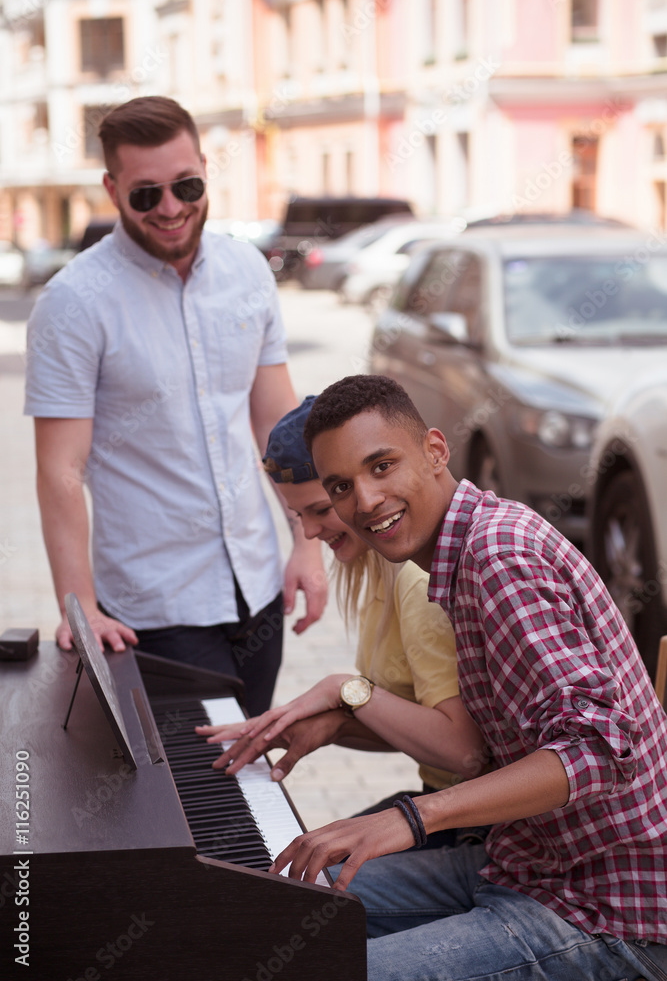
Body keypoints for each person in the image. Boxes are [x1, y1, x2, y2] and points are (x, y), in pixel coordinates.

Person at [266, 374, 667, 981]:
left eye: (382, 465)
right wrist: (337, 723)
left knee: (328, 967)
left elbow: (597, 751)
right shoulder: (464, 553)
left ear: (434, 450)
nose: (365, 501)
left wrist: (412, 817)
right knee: (275, 905)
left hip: (608, 908)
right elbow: (484, 734)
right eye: (342, 486)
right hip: (529, 862)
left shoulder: (497, 558)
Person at [23, 96, 325, 715]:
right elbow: (59, 470)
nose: (170, 208)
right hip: (155, 611)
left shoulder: (248, 271)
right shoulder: (73, 303)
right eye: (145, 194)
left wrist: (307, 543)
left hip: (258, 588)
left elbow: (279, 423)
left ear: (205, 170)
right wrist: (77, 606)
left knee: (245, 776)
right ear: (111, 188)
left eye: (185, 185)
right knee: (192, 795)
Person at [196, 396, 488, 846]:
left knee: (301, 888)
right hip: (444, 800)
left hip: (473, 820)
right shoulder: (374, 567)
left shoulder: (414, 583)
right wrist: (330, 725)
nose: (310, 532)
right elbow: (418, 725)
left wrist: (345, 693)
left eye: (319, 509)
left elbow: (464, 752)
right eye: (298, 516)